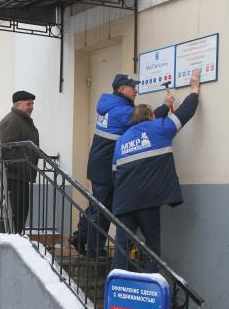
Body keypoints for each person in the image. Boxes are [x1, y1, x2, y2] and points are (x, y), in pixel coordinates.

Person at [72, 74, 174, 257]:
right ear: (121, 89)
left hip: (100, 165)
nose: (135, 90)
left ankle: (81, 236)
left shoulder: (111, 105)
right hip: (104, 168)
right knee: (103, 210)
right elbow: (146, 122)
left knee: (98, 206)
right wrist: (166, 106)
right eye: (132, 87)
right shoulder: (121, 111)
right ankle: (95, 252)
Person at [111, 69, 201, 272]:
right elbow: (185, 112)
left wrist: (166, 105)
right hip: (147, 200)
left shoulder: (122, 140)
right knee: (151, 246)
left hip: (123, 201)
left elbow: (115, 173)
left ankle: (116, 287)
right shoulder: (160, 127)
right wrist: (194, 88)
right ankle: (151, 285)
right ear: (151, 116)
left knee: (122, 247)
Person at [0, 90, 40, 233]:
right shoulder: (12, 121)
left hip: (21, 176)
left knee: (21, 214)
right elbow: (6, 149)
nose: (31, 107)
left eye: (32, 103)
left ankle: (17, 238)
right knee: (15, 214)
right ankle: (14, 240)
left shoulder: (22, 120)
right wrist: (22, 165)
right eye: (29, 103)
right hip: (13, 177)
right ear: (17, 104)